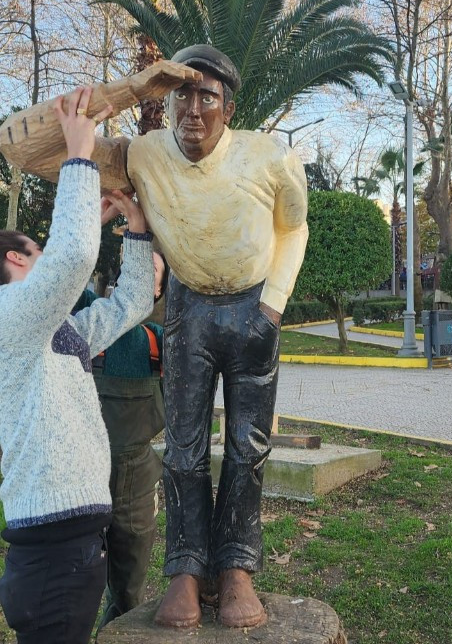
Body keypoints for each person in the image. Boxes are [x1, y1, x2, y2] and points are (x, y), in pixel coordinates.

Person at [91, 44, 309, 629]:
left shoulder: (271, 157)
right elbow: (36, 146)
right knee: (183, 446)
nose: (192, 109)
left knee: (247, 444)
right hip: (188, 310)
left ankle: (237, 569)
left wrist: (273, 307)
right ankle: (185, 570)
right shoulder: (143, 154)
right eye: (180, 94)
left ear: (228, 108)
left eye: (206, 96)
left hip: (252, 309)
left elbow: (294, 226)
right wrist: (134, 89)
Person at [0, 86, 157, 644]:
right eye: (36, 253)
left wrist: (136, 232)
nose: (48, 262)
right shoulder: (0, 315)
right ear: (17, 259)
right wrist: (78, 154)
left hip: (73, 538)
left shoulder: (56, 331)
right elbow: (70, 259)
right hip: (51, 549)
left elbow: (130, 306)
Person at [72, 252, 168, 626]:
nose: (139, 268)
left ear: (158, 289)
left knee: (127, 592)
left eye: (151, 269)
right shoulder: (88, 315)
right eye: (133, 262)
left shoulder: (159, 342)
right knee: (74, 585)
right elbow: (59, 275)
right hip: (80, 478)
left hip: (136, 484)